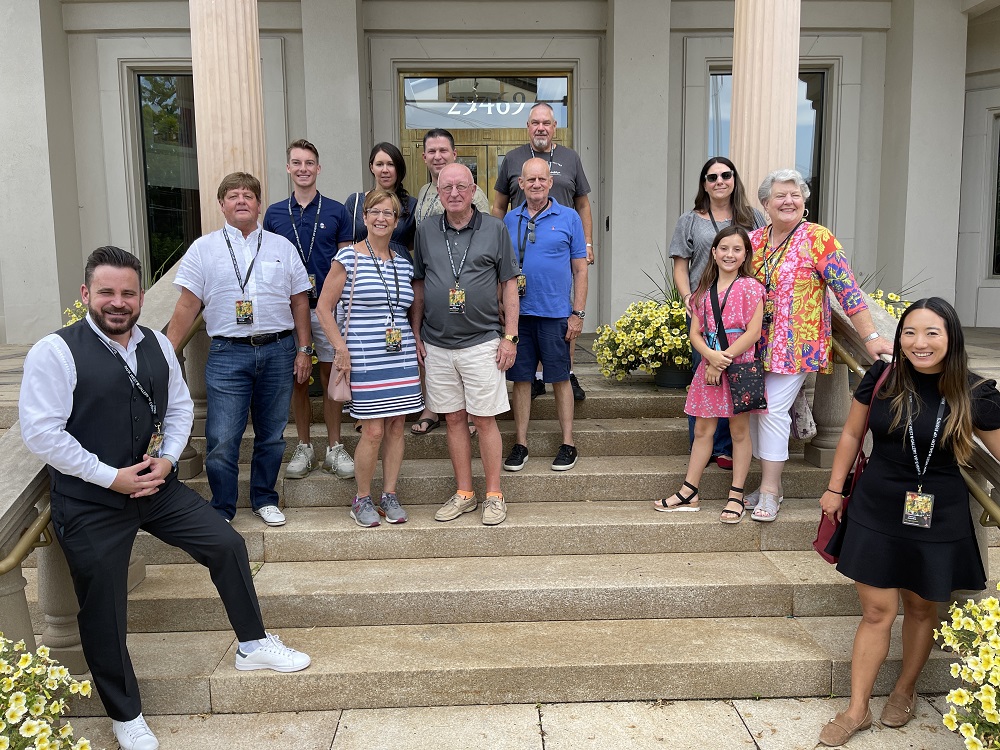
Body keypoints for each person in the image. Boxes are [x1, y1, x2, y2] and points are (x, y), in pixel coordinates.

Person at [19, 247, 310, 750]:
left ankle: (253, 643)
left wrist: (170, 459)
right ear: (86, 294)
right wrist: (110, 477)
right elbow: (42, 434)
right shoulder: (56, 351)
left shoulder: (155, 342)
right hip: (91, 500)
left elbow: (177, 410)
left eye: (128, 293)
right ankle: (125, 714)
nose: (118, 302)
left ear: (139, 297)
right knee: (103, 608)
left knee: (226, 544)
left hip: (154, 487)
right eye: (107, 292)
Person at [816, 297, 1000, 747]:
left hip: (939, 515)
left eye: (932, 333)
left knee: (921, 608)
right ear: (899, 337)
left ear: (951, 338)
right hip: (877, 507)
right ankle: (857, 708)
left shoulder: (975, 393)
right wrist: (835, 488)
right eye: (910, 332)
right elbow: (853, 433)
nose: (919, 343)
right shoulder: (882, 377)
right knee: (877, 611)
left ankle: (905, 689)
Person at [745, 168, 893, 522]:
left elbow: (847, 289)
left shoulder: (818, 238)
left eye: (795, 195)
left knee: (772, 411)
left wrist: (871, 336)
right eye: (780, 195)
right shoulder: (752, 240)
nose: (789, 201)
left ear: (805, 201)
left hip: (796, 345)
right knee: (753, 412)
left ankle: (769, 490)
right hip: (752, 344)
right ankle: (770, 485)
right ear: (765, 203)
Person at [167, 172, 313, 527]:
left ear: (259, 204)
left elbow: (299, 302)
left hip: (278, 350)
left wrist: (305, 349)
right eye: (233, 195)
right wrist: (167, 350)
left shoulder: (282, 247)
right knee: (221, 438)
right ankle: (223, 507)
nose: (242, 200)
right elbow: (188, 305)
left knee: (272, 434)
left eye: (248, 195)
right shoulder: (203, 249)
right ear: (221, 205)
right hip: (228, 354)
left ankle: (264, 498)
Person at [412, 162, 520, 526]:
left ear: (474, 189)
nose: (454, 193)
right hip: (437, 344)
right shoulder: (426, 230)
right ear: (438, 192)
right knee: (454, 419)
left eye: (461, 186)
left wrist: (510, 337)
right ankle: (464, 493)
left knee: (484, 420)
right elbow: (420, 286)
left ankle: (493, 494)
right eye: (447, 188)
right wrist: (415, 334)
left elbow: (509, 285)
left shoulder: (494, 228)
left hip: (482, 342)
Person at [316, 189, 424, 527]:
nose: (381, 218)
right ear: (364, 218)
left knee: (396, 427)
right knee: (373, 429)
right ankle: (361, 499)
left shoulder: (403, 259)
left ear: (397, 220)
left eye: (388, 213)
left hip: (400, 353)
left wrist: (417, 339)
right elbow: (323, 308)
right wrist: (340, 348)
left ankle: (389, 494)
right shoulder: (348, 257)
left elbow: (408, 309)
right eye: (374, 212)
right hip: (363, 356)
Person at [654, 226, 764, 523]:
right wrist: (711, 358)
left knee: (739, 432)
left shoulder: (752, 288)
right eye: (724, 248)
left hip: (737, 366)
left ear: (745, 255)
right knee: (703, 430)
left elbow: (753, 333)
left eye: (737, 249)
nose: (730, 254)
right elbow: (696, 334)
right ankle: (690, 491)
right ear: (713, 253)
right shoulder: (702, 292)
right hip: (709, 367)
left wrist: (720, 360)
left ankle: (736, 495)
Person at [263, 139, 355, 482]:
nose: (303, 168)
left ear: (319, 168)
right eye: (297, 163)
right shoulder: (273, 214)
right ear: (288, 168)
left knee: (333, 378)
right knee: (297, 379)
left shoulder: (336, 211)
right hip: (288, 311)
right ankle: (304, 445)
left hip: (326, 309)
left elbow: (346, 264)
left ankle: (334, 446)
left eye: (310, 163)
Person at [491, 102, 595, 401]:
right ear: (527, 126)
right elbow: (499, 205)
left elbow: (583, 203)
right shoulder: (512, 159)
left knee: (562, 311)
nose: (540, 127)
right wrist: (494, 243)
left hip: (562, 240)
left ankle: (567, 372)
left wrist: (587, 242)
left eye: (546, 123)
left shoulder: (570, 157)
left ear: (554, 127)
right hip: (521, 244)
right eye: (535, 122)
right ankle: (534, 376)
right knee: (526, 314)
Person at [670, 156, 764, 471]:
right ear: (704, 183)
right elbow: (680, 264)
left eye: (726, 175)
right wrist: (687, 296)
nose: (719, 181)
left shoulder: (753, 218)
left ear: (734, 179)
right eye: (712, 177)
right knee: (706, 376)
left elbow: (764, 257)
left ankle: (727, 447)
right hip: (705, 310)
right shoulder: (690, 220)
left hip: (741, 311)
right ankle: (703, 444)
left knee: (733, 377)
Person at [501, 157, 588, 472]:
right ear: (521, 184)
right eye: (530, 180)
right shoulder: (509, 220)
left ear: (550, 183)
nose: (536, 184)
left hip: (556, 315)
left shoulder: (569, 218)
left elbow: (580, 269)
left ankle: (568, 443)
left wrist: (577, 312)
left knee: (560, 378)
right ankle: (520, 443)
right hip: (518, 316)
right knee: (521, 380)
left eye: (542, 179)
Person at [411, 128, 491, 436]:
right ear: (424, 157)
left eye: (443, 150)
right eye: (431, 151)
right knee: (431, 351)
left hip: (467, 292)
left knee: (465, 356)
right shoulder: (425, 191)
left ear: (454, 154)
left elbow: (480, 244)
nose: (437, 156)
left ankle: (471, 413)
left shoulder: (475, 194)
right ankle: (432, 406)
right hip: (433, 285)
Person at [345, 142, 417, 262]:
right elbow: (345, 239)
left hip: (400, 272)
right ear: (371, 167)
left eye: (390, 164)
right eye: (379, 164)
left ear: (398, 168)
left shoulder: (412, 205)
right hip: (363, 269)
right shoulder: (355, 201)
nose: (385, 170)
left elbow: (415, 243)